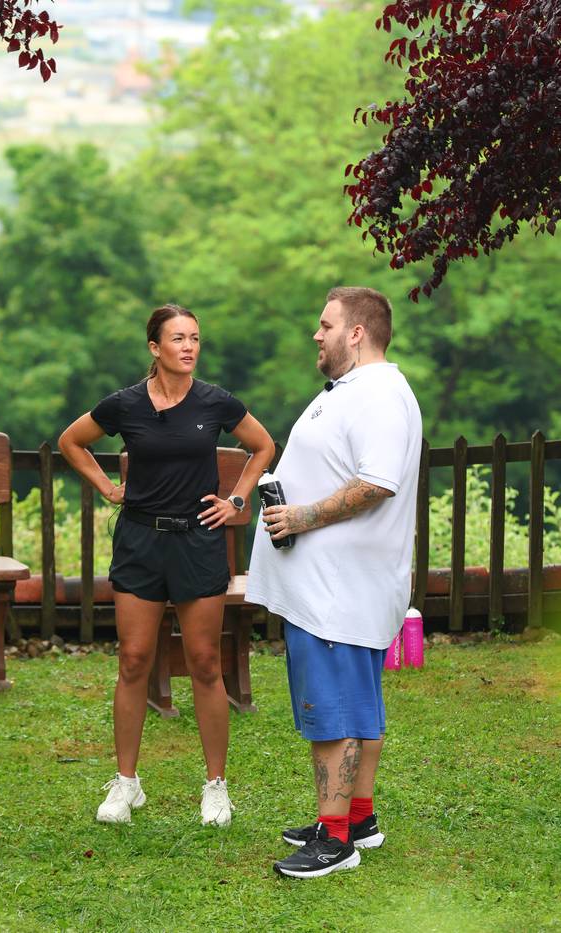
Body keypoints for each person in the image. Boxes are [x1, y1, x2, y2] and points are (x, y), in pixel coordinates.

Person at [59, 304, 275, 828]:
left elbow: (263, 445)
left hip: (198, 542)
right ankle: (126, 784)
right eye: (177, 339)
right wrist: (109, 488)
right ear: (154, 348)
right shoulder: (125, 405)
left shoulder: (215, 402)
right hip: (139, 541)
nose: (189, 347)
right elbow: (71, 441)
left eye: (195, 338)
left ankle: (216, 787)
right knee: (134, 660)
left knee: (204, 662)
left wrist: (238, 502)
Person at [246, 286, 422, 879]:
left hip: (337, 591)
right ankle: (357, 818)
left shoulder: (377, 395)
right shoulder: (358, 390)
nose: (316, 335)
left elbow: (376, 483)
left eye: (325, 325)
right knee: (359, 708)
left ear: (357, 332)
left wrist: (299, 516)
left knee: (333, 714)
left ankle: (335, 840)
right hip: (335, 586)